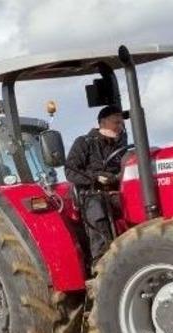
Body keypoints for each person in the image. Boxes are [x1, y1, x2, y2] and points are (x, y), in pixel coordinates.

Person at [65, 105, 127, 264]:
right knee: (98, 211)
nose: (120, 127)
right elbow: (71, 171)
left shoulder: (121, 146)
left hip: (117, 191)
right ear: (103, 122)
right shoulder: (84, 142)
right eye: (116, 123)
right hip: (92, 194)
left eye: (121, 124)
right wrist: (96, 177)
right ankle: (102, 260)